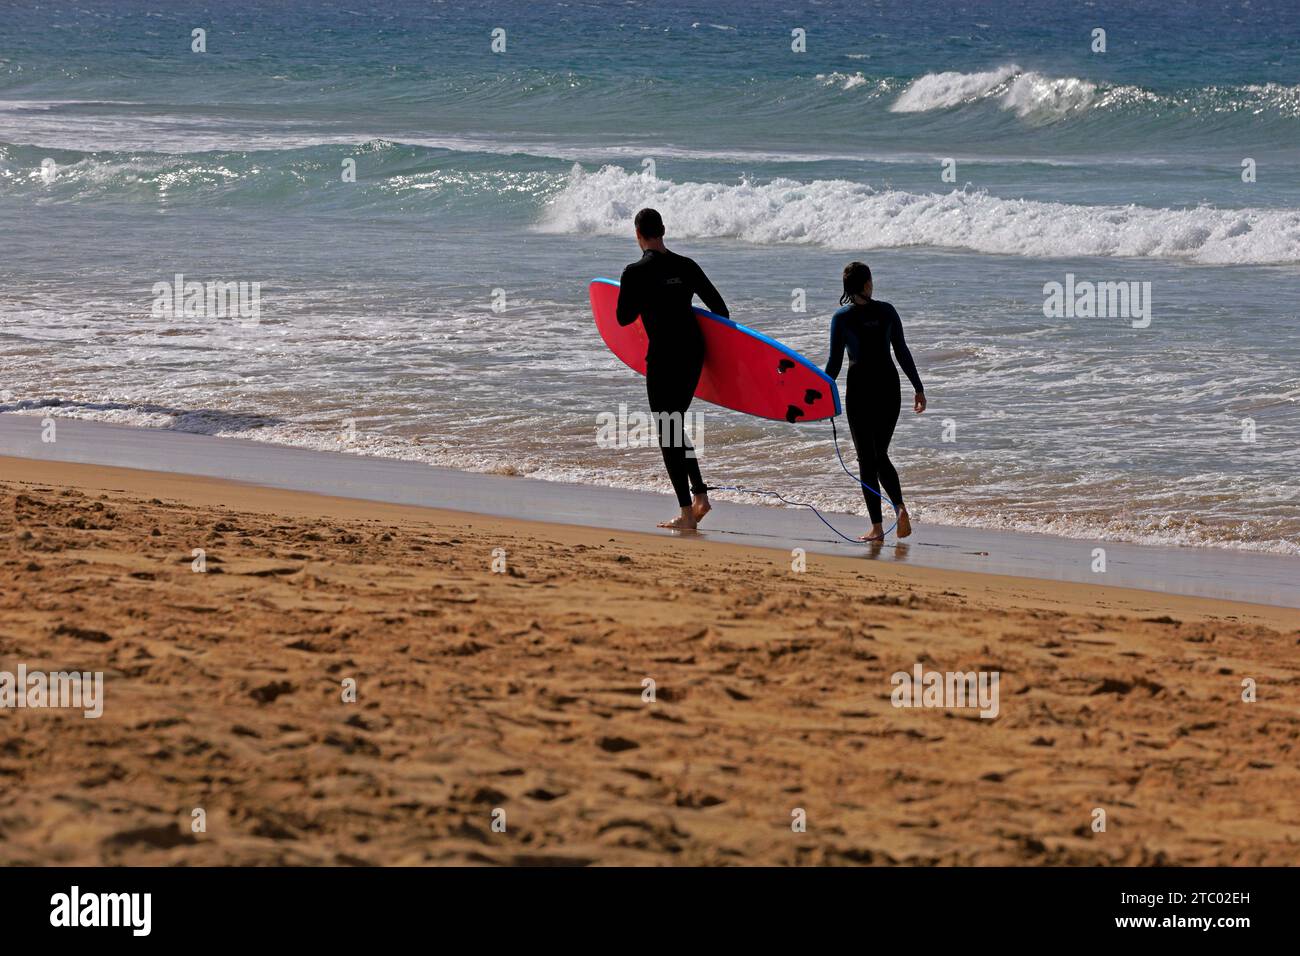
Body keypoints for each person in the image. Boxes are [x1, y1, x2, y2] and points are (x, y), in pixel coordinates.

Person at [616, 208, 728, 530]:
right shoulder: (687, 266)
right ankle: (700, 497)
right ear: (663, 230)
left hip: (663, 357)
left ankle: (686, 513)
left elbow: (623, 318)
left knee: (668, 430)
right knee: (674, 424)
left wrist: (647, 299)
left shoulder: (634, 272)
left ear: (638, 235)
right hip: (693, 356)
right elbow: (720, 310)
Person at [824, 261, 926, 542]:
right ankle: (900, 507)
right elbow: (902, 351)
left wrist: (817, 392)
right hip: (889, 389)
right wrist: (918, 388)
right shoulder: (887, 311)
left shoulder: (841, 318)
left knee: (867, 460)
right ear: (868, 284)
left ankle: (877, 528)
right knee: (879, 454)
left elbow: (833, 365)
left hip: (860, 390)